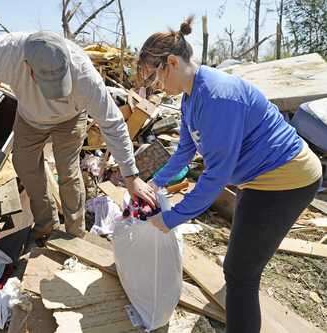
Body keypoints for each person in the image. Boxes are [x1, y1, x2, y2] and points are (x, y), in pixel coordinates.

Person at [138, 17, 322, 333]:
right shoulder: (189, 98)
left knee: (239, 273)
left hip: (289, 179)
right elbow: (184, 150)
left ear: (171, 62)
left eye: (154, 78)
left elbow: (216, 176)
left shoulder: (217, 97)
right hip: (260, 178)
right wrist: (155, 182)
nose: (155, 87)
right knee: (243, 255)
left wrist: (170, 219)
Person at [0, 31, 156, 243]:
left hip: (70, 120)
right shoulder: (5, 52)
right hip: (30, 119)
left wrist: (131, 175)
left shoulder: (86, 76)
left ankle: (75, 232)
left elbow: (113, 123)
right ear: (27, 66)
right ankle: (46, 226)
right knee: (24, 165)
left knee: (68, 171)